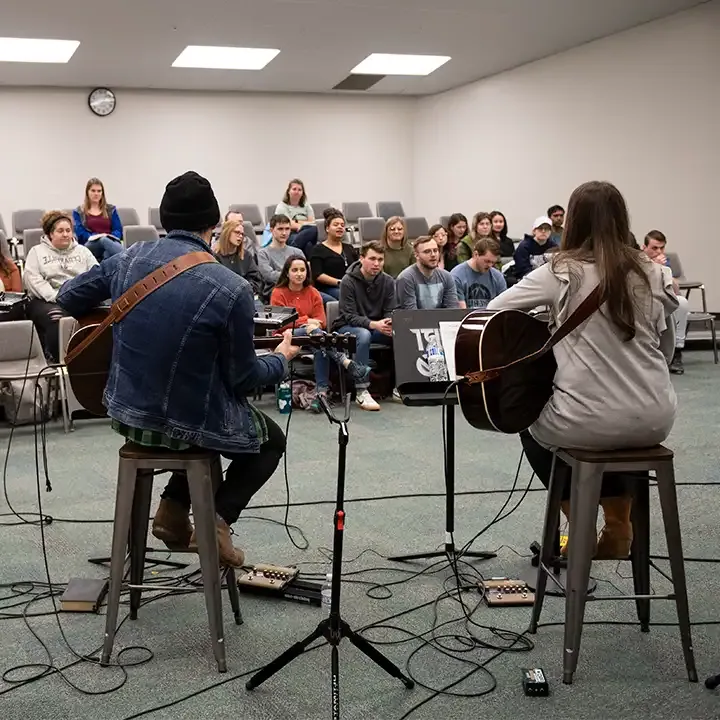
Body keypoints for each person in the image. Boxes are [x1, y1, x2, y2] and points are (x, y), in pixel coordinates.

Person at [57, 171, 299, 568]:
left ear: (164, 220)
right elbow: (244, 380)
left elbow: (68, 296)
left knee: (204, 416)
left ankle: (172, 509)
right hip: (183, 422)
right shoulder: (232, 287)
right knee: (263, 438)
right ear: (213, 224)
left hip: (126, 412)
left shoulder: (126, 258)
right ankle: (217, 523)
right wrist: (282, 358)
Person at [487, 181, 679, 559]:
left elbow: (493, 311)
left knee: (529, 424)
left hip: (584, 420)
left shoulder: (559, 271)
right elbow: (667, 348)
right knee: (623, 431)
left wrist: (549, 318)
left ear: (572, 221)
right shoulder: (655, 273)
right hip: (656, 418)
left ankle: (580, 522)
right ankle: (620, 521)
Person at [270, 257, 370, 411]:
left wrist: (309, 324)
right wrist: (308, 321)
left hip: (311, 336)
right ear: (287, 273)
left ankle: (321, 394)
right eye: (294, 270)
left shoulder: (312, 292)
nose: (299, 274)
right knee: (317, 334)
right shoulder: (278, 293)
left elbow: (321, 321)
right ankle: (345, 362)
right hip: (287, 336)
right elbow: (282, 322)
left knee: (320, 344)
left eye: (302, 270)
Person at [23, 211, 97, 361]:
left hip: (78, 296)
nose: (65, 234)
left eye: (68, 231)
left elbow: (96, 275)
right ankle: (61, 362)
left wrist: (83, 295)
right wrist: (56, 297)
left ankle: (93, 361)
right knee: (56, 318)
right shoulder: (36, 252)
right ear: (50, 234)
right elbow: (33, 280)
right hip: (48, 300)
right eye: (60, 231)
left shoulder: (83, 252)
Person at [332, 242, 396, 412]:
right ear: (361, 259)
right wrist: (373, 324)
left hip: (376, 327)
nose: (377, 263)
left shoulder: (388, 281)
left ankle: (399, 385)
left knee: (400, 333)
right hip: (347, 327)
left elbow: (390, 310)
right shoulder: (348, 281)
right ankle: (362, 389)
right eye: (372, 259)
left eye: (380, 259)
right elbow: (349, 315)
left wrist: (388, 322)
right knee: (363, 335)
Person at [642, 230, 689, 375]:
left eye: (662, 248)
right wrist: (653, 267)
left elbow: (675, 290)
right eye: (654, 248)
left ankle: (677, 352)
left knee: (682, 303)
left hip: (664, 299)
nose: (659, 251)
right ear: (644, 248)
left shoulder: (665, 262)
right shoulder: (639, 260)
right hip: (645, 300)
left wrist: (663, 269)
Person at [309, 208, 358, 303]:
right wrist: (340, 282)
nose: (340, 227)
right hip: (327, 288)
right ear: (327, 228)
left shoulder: (349, 248)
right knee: (346, 295)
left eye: (342, 225)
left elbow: (357, 267)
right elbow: (318, 275)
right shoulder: (318, 249)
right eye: (336, 225)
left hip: (350, 286)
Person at [396, 236, 459, 310]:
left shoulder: (447, 277)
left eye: (435, 250)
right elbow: (411, 314)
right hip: (417, 320)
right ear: (416, 255)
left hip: (441, 320)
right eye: (427, 251)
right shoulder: (406, 278)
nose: (433, 255)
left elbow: (452, 310)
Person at [72, 178, 124, 261]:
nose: (96, 194)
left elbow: (118, 230)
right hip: (90, 244)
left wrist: (109, 237)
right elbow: (80, 233)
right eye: (93, 191)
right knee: (103, 240)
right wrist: (98, 237)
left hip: (110, 242)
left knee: (107, 253)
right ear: (87, 192)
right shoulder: (78, 211)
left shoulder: (111, 209)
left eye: (99, 191)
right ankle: (128, 258)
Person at [451, 238, 507, 309]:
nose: (490, 265)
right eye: (487, 261)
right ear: (476, 254)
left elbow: (503, 306)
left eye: (493, 262)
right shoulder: (457, 275)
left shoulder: (497, 277)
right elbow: (461, 311)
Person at [257, 214, 304, 298]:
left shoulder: (297, 252)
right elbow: (269, 276)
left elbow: (305, 273)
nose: (284, 233)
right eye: (280, 229)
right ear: (271, 230)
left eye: (287, 229)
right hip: (275, 292)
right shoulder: (263, 253)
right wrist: (294, 275)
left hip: (299, 290)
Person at [215, 219, 263, 298]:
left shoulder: (246, 255)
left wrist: (245, 289)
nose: (240, 236)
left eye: (242, 234)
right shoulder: (215, 257)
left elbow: (256, 280)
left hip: (245, 296)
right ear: (227, 233)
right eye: (237, 232)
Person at [274, 178, 318, 256]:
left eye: (299, 190)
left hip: (306, 232)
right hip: (289, 234)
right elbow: (287, 224)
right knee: (308, 244)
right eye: (294, 189)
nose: (297, 192)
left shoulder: (306, 206)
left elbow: (313, 223)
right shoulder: (282, 206)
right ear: (288, 191)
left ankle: (292, 253)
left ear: (302, 193)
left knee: (313, 231)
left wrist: (297, 222)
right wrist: (303, 224)